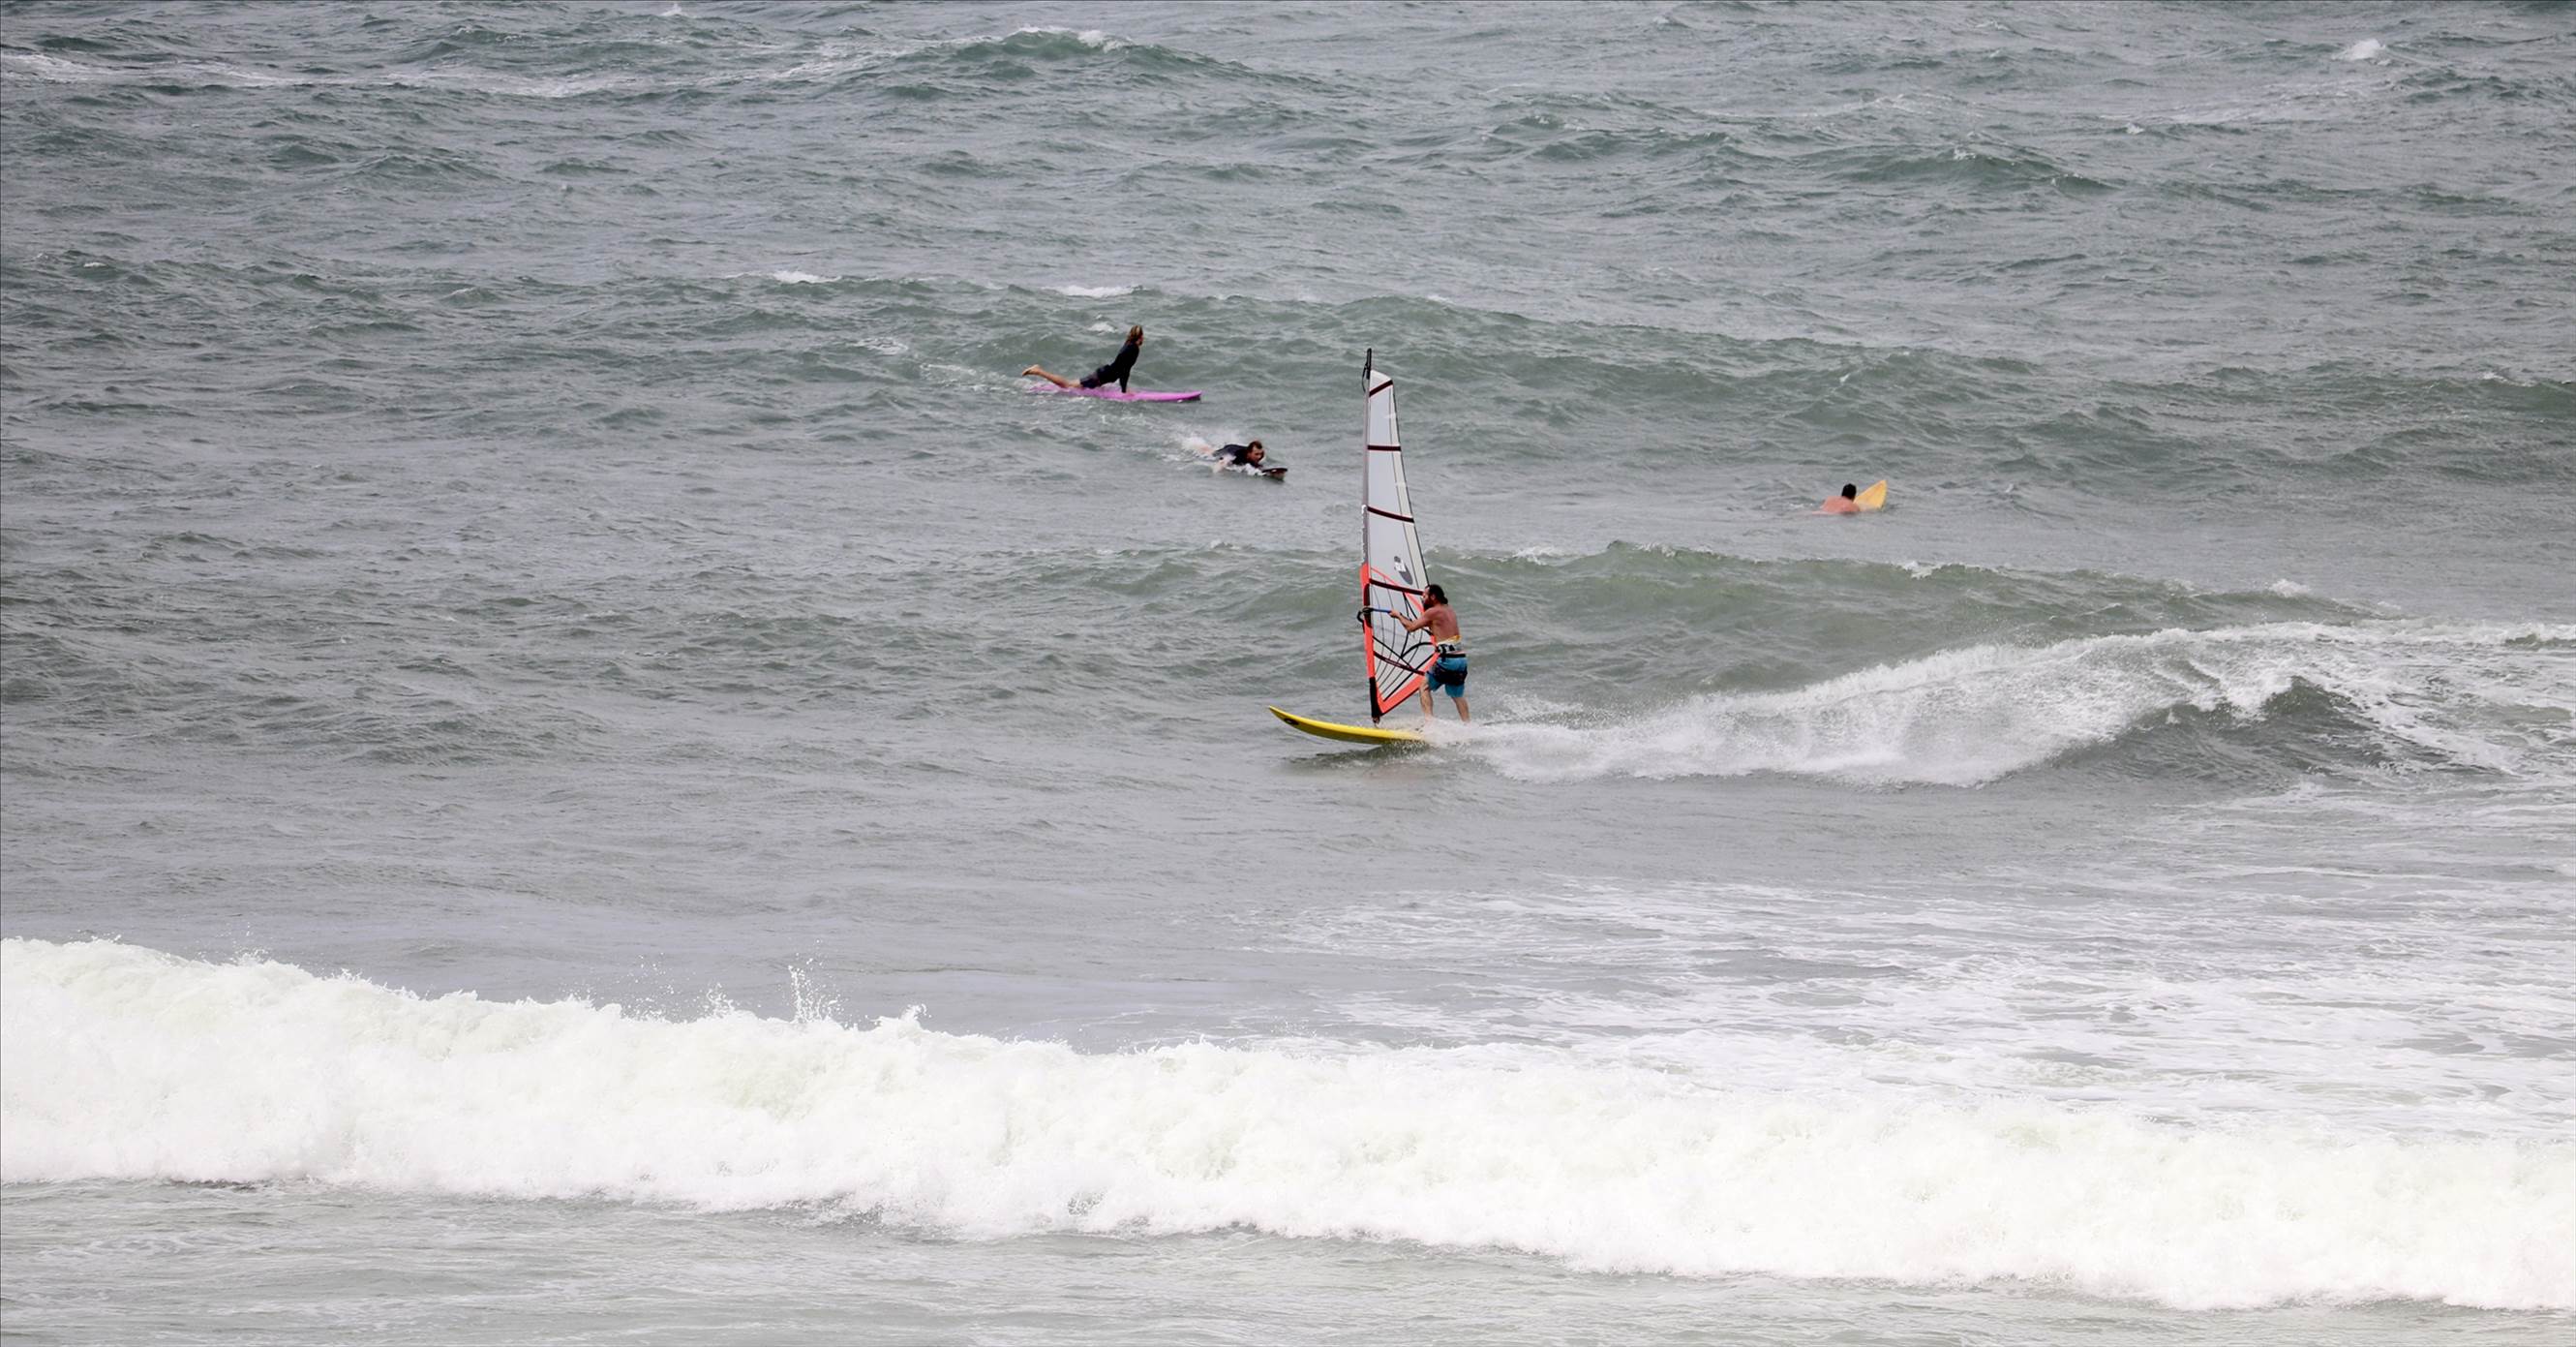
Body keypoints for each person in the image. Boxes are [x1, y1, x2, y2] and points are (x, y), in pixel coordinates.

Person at [1400, 583, 1469, 723]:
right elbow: (1433, 625)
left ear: (1433, 597)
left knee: (1424, 687)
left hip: (1447, 661)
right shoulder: (1448, 610)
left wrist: (1397, 616)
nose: (1422, 598)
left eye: (1424, 595)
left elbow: (1411, 627)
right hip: (1461, 660)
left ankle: (1429, 723)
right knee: (1457, 696)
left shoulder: (1432, 612)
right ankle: (1468, 725)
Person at [1024, 324, 1144, 392]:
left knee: (1071, 384)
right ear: (1141, 337)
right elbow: (1124, 370)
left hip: (1103, 375)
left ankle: (1039, 371)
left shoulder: (1129, 345)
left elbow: (1121, 368)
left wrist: (1123, 387)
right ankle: (1038, 371)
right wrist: (1124, 391)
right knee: (1067, 385)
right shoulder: (1133, 349)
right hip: (1101, 377)